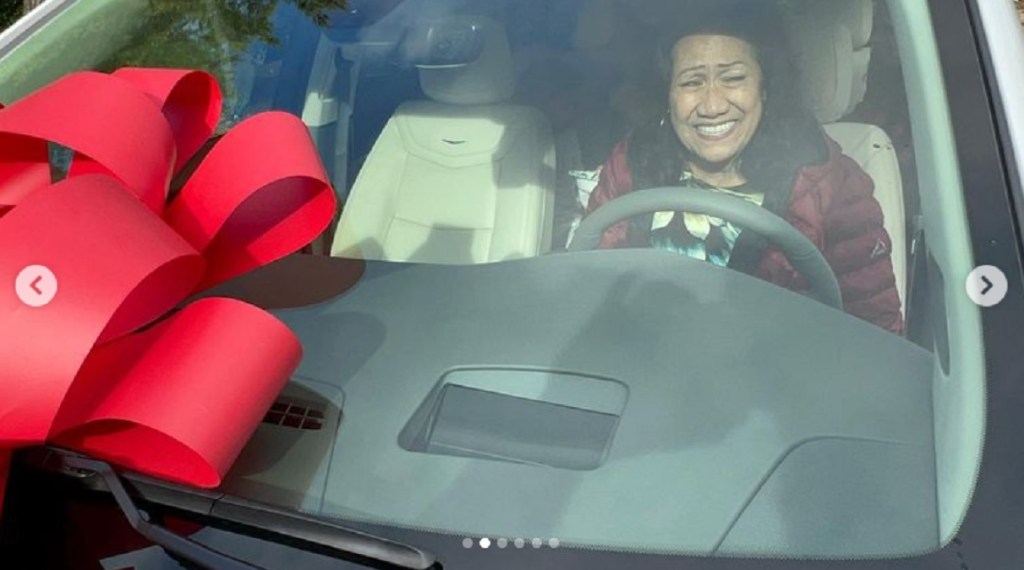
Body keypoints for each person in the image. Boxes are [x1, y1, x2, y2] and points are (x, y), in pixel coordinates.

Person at [583, 4, 904, 334]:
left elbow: (875, 332)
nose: (712, 106)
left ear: (765, 88)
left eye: (733, 78)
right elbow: (588, 287)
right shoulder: (634, 162)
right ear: (668, 95)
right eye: (691, 83)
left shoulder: (830, 185)